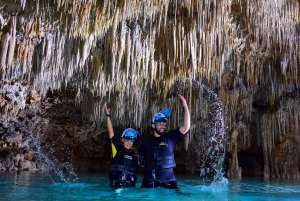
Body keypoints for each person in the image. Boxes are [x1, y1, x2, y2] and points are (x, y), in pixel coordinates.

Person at [138, 95, 190, 189]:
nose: (162, 126)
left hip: (169, 181)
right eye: (159, 124)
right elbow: (140, 158)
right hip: (149, 180)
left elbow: (186, 127)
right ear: (153, 126)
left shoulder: (170, 137)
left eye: (164, 124)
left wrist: (185, 106)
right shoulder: (146, 141)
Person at [104, 104, 140, 188]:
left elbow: (147, 164)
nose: (129, 143)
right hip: (117, 185)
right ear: (122, 140)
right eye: (127, 140)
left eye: (131, 141)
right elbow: (111, 133)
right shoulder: (116, 149)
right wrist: (108, 116)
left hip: (130, 187)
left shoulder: (136, 154)